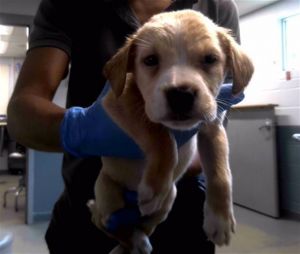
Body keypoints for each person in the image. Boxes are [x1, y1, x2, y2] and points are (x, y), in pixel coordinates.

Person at [7, 0, 242, 253]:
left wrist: (168, 159)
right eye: (151, 60)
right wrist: (78, 129)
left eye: (207, 59)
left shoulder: (217, 7)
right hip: (88, 204)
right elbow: (22, 112)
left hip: (183, 211)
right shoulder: (66, 5)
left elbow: (213, 127)